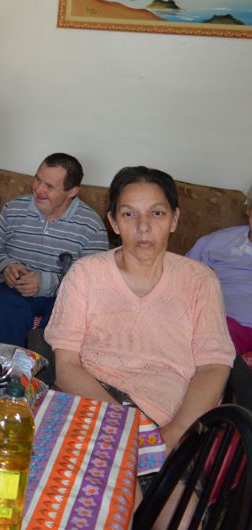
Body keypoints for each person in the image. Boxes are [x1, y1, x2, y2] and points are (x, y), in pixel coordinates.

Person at [46, 166, 233, 447]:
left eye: (157, 213)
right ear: (113, 222)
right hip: (95, 402)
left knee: (168, 491)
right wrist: (122, 429)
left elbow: (213, 366)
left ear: (174, 219)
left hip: (171, 418)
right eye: (129, 214)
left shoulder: (200, 280)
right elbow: (68, 365)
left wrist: (175, 432)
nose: (143, 227)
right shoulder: (85, 274)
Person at [0, 154, 109, 347]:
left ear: (72, 191)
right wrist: (6, 266)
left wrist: (45, 283)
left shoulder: (92, 226)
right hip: (13, 290)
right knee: (0, 305)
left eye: (49, 186)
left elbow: (94, 279)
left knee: (69, 320)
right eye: (38, 179)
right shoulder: (14, 208)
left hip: (62, 296)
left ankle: (45, 374)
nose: (38, 189)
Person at [187, 186, 252, 354]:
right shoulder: (215, 242)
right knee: (216, 345)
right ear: (249, 211)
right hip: (228, 324)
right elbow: (180, 280)